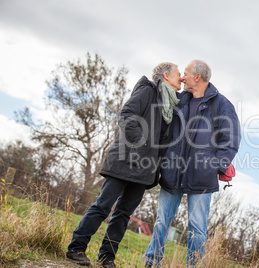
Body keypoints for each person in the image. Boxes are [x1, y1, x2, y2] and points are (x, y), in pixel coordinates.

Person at [65, 62, 182, 268]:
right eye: (178, 74)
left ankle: (107, 257)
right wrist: (143, 144)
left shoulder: (170, 105)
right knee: (103, 206)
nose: (181, 78)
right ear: (166, 75)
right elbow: (127, 115)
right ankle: (76, 248)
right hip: (125, 161)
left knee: (123, 215)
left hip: (145, 169)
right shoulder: (147, 91)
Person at [144, 60, 241, 266]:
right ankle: (151, 262)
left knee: (197, 227)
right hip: (173, 170)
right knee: (162, 221)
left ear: (197, 77)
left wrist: (213, 166)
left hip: (201, 176)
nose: (182, 77)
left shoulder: (222, 104)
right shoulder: (180, 100)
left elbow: (231, 140)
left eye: (185, 73)